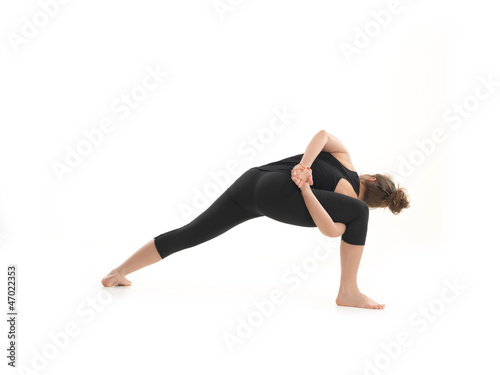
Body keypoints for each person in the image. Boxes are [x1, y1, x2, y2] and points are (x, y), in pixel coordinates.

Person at [101, 130, 410, 309]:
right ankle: (348, 291)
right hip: (277, 194)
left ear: (370, 176)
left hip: (254, 180)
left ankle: (118, 272)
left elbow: (323, 135)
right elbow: (330, 230)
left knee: (190, 232)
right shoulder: (350, 205)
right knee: (357, 216)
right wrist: (305, 182)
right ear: (370, 194)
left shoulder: (345, 159)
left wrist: (303, 171)